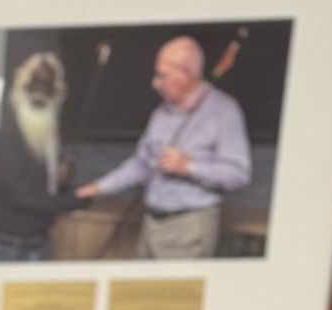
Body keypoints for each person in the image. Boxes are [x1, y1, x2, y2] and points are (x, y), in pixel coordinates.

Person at [74, 36, 250, 260]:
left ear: (185, 75)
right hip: (150, 225)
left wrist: (190, 167)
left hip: (190, 229)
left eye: (162, 75)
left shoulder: (224, 110)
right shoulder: (160, 113)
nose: (154, 84)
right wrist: (95, 189)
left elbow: (239, 175)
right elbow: (140, 165)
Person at [0, 48, 75, 262]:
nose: (40, 90)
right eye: (34, 83)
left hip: (40, 242)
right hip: (6, 247)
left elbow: (48, 185)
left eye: (46, 85)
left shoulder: (51, 139)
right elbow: (17, 194)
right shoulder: (8, 135)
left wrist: (62, 179)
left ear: (55, 91)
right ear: (23, 87)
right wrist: (72, 202)